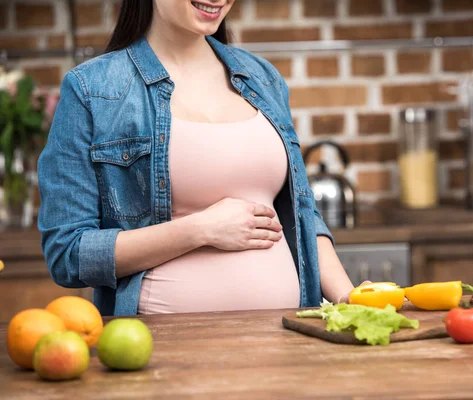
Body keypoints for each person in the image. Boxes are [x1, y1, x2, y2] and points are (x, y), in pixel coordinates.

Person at [37, 0, 358, 316]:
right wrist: (200, 229)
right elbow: (69, 254)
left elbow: (303, 215)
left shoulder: (263, 78)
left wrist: (352, 298)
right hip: (161, 350)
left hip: (283, 341)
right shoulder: (93, 89)